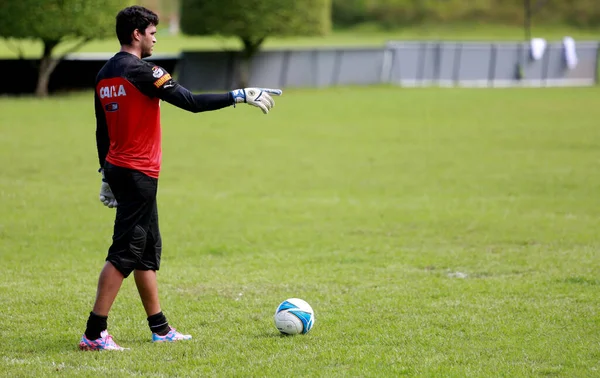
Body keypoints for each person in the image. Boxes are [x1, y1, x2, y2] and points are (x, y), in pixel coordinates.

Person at [79, 5, 282, 351]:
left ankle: (160, 328)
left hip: (121, 168)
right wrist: (240, 95)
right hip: (138, 171)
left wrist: (105, 173)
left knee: (144, 250)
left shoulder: (104, 73)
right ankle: (94, 333)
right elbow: (190, 102)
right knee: (125, 251)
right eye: (152, 33)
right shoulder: (143, 71)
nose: (155, 38)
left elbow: (102, 130)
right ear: (136, 35)